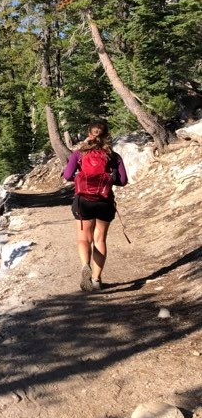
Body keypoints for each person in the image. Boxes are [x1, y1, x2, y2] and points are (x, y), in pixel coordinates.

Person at [62, 120, 128, 292]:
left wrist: (79, 174)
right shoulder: (114, 156)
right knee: (99, 239)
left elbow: (68, 175)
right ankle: (96, 280)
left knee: (84, 238)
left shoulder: (79, 154)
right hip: (105, 202)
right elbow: (123, 181)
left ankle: (85, 265)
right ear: (107, 135)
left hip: (83, 201)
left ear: (89, 133)